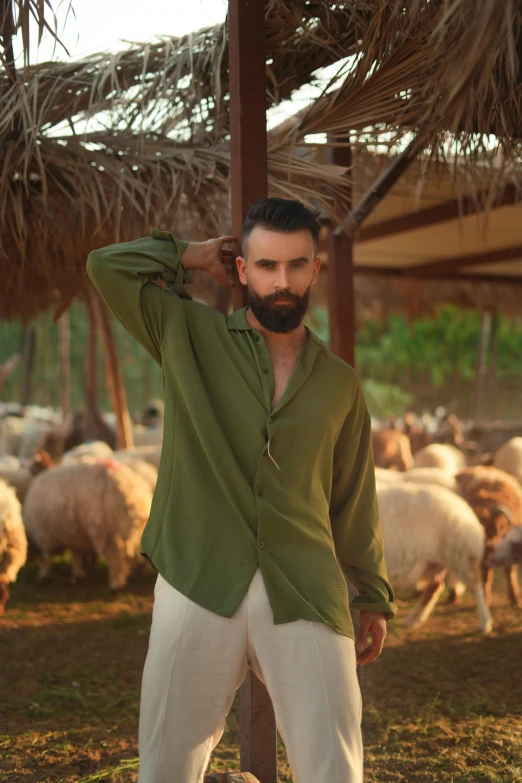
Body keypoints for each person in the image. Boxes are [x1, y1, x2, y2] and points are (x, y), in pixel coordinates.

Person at [86, 197, 398, 783]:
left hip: (304, 585)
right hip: (198, 578)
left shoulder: (339, 383)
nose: (282, 282)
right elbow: (106, 266)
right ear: (243, 270)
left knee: (335, 766)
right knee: (165, 765)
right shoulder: (187, 333)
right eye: (266, 266)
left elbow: (354, 493)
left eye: (295, 266)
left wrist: (373, 594)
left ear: (314, 269)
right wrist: (191, 255)